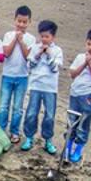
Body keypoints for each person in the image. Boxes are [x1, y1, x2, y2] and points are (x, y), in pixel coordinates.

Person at [65, 27, 91, 163]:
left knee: (84, 123)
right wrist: (84, 63)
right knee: (71, 121)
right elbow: (72, 74)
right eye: (89, 44)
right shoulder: (79, 57)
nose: (90, 48)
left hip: (88, 96)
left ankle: (78, 150)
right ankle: (68, 146)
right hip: (75, 94)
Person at [21, 20, 63, 154]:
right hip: (35, 86)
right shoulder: (35, 47)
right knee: (32, 113)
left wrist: (49, 54)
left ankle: (48, 140)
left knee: (49, 115)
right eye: (42, 36)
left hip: (50, 88)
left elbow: (55, 68)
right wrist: (38, 54)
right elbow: (29, 66)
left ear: (53, 37)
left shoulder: (57, 50)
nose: (44, 39)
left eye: (47, 36)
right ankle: (29, 137)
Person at [0, 5, 36, 143]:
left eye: (24, 22)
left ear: (29, 22)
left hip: (22, 76)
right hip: (7, 75)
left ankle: (15, 131)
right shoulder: (8, 35)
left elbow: (28, 56)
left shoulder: (31, 39)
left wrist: (21, 41)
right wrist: (15, 39)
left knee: (18, 107)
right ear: (15, 20)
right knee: (3, 105)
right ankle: (0, 129)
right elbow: (6, 53)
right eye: (19, 21)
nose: (21, 24)